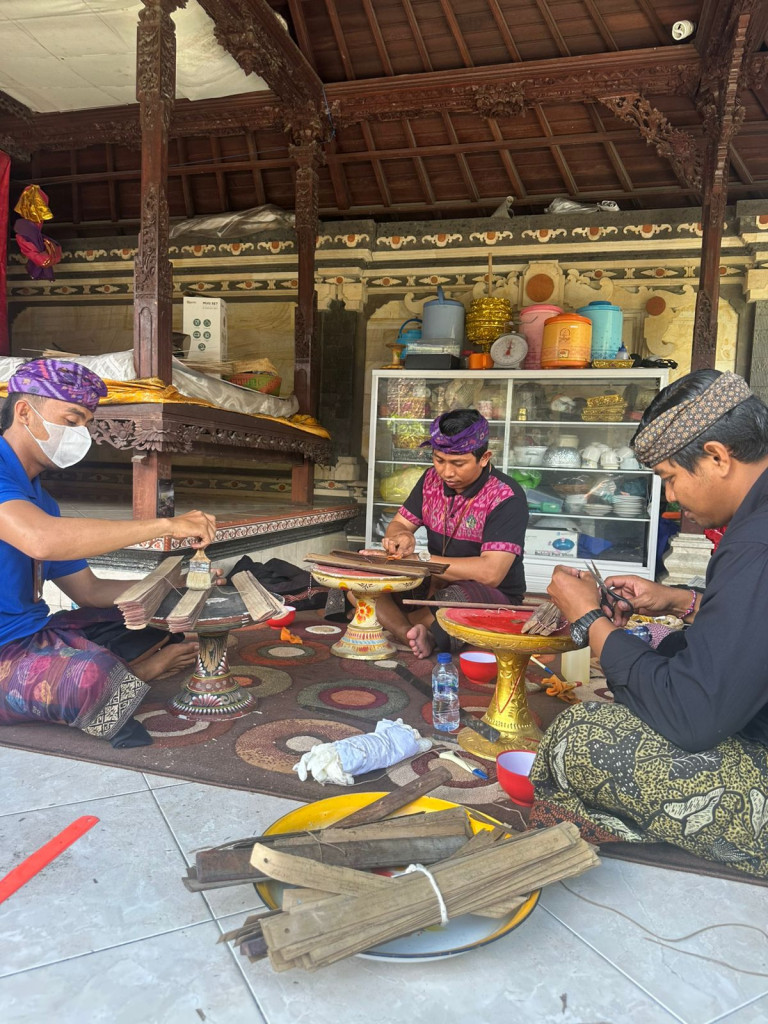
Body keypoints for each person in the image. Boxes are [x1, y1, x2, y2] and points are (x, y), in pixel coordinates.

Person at [533, 369, 768, 878]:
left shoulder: (755, 543)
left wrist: (590, 620)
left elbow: (693, 716)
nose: (673, 495)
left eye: (669, 477)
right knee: (660, 656)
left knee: (583, 734)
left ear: (717, 457)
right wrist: (678, 600)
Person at [0, 358, 217, 745]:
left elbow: (89, 591)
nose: (79, 434)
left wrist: (175, 585)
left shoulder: (43, 501)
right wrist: (166, 524)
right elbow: (41, 539)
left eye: (85, 424)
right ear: (23, 412)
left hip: (29, 633)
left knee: (149, 621)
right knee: (90, 676)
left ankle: (126, 668)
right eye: (71, 420)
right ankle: (139, 674)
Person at [373, 408, 528, 659]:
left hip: (491, 594)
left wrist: (421, 562)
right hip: (433, 583)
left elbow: (490, 573)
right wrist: (403, 536)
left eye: (458, 463)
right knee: (360, 577)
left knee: (457, 597)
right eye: (439, 460)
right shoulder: (431, 480)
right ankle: (409, 632)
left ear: (484, 457)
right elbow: (398, 524)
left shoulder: (506, 496)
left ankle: (393, 621)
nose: (446, 473)